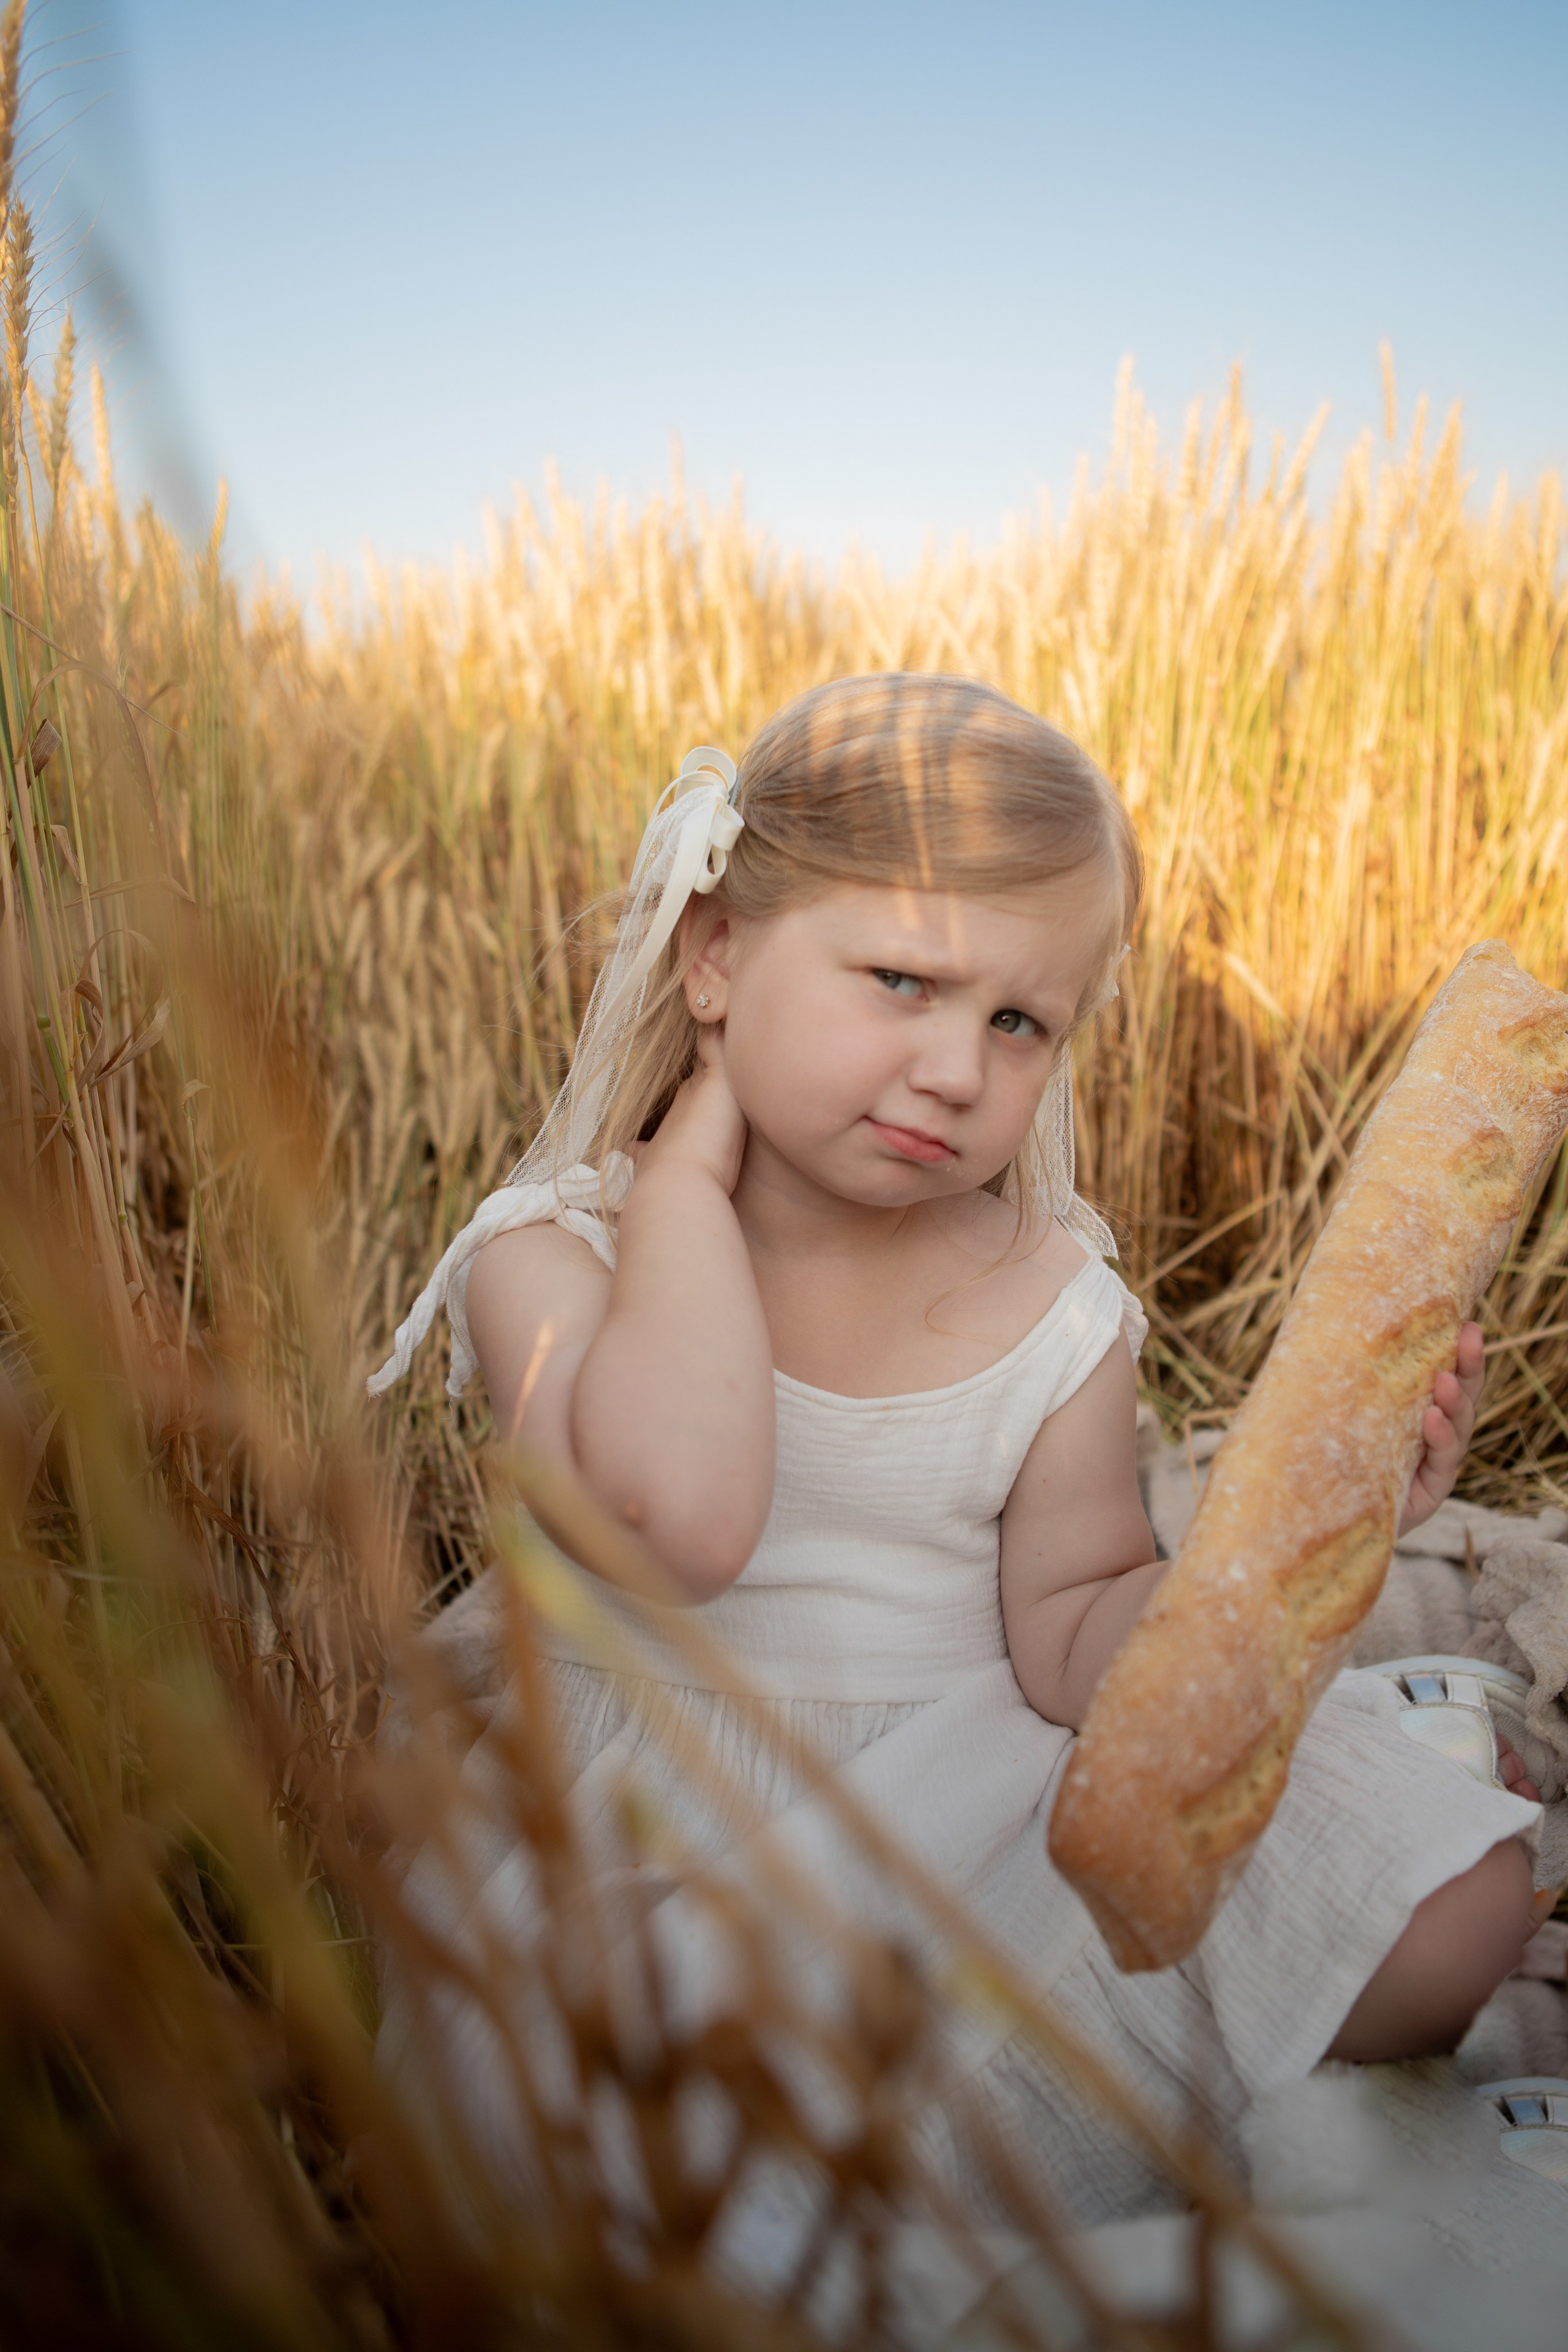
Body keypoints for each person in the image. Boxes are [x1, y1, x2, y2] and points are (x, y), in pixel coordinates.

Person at [369, 673, 1546, 2225]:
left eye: (1016, 1022)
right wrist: (682, 1193)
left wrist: (1314, 1535)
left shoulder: (1048, 1302)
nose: (955, 1069)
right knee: (673, 2160)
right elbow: (681, 1518)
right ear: (713, 956)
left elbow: (1074, 1633)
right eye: (901, 982)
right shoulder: (553, 1254)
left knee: (1459, 1904)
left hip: (969, 1796)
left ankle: (1076, 2091)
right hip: (663, 1843)